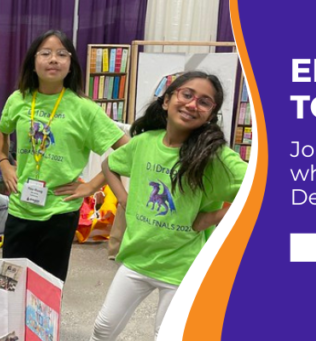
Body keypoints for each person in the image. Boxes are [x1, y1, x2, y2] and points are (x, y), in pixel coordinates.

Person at [89, 71, 247, 340]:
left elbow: (263, 189)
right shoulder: (144, 143)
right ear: (166, 100)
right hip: (137, 258)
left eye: (205, 101)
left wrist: (215, 216)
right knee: (102, 329)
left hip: (184, 267)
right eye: (187, 94)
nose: (192, 104)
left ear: (211, 115)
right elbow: (109, 165)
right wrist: (124, 199)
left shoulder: (215, 157)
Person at [0, 30, 128, 281]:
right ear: (33, 64)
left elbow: (127, 150)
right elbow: (2, 132)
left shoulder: (84, 108)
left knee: (48, 285)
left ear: (71, 65)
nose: (53, 59)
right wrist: (4, 162)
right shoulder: (19, 99)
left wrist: (91, 185)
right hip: (20, 208)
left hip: (60, 211)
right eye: (45, 53)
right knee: (9, 283)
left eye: (61, 54)